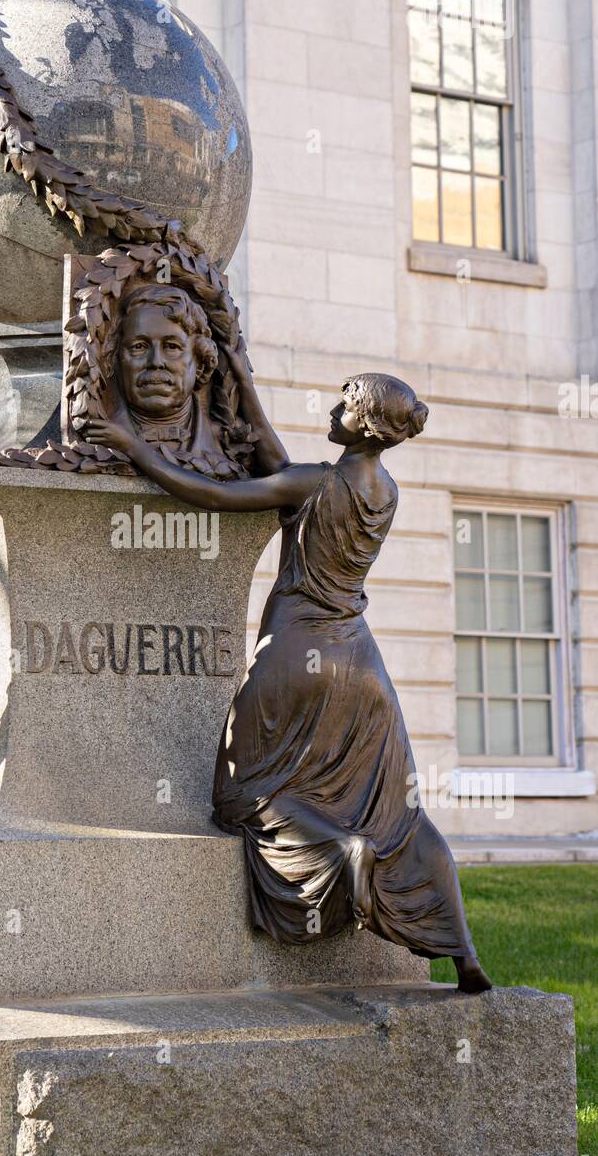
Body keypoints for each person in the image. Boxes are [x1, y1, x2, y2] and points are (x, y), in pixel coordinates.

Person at [86, 339, 491, 992]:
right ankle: (463, 953)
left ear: (364, 422)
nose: (334, 408)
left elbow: (212, 493)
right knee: (397, 818)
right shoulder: (382, 492)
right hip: (362, 671)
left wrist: (132, 446)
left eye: (345, 402)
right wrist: (240, 380)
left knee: (248, 794)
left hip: (293, 662)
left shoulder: (314, 485)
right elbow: (282, 466)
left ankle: (338, 859)